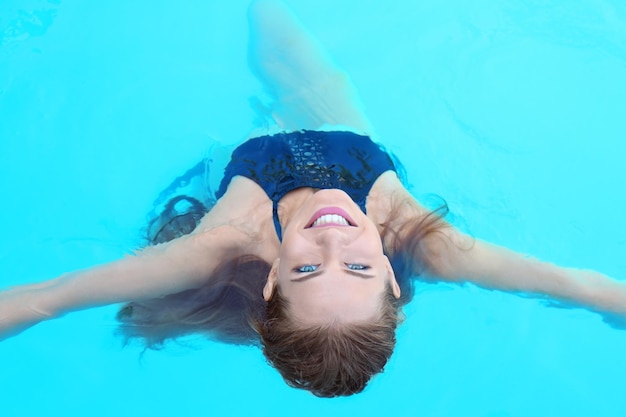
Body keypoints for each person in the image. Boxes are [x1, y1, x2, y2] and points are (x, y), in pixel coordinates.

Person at [1, 0, 625, 398]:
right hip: (339, 134)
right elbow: (588, 289)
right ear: (389, 279)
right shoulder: (426, 243)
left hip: (238, 170)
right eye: (358, 265)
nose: (334, 236)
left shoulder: (216, 247)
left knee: (158, 290)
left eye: (306, 268)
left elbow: (43, 301)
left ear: (271, 284)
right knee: (283, 38)